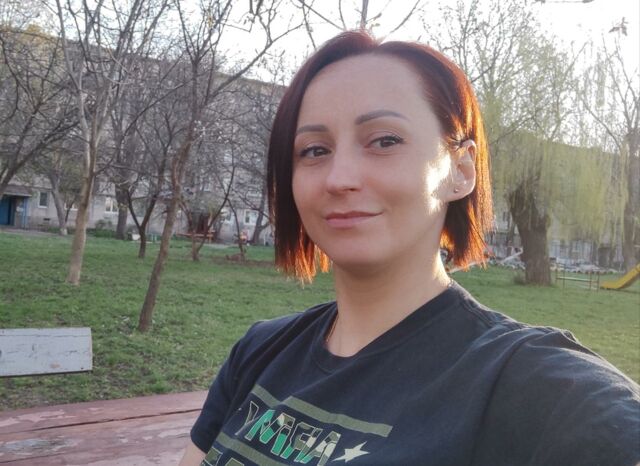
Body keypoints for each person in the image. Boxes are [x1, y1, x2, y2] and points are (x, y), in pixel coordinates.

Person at [179, 31, 639, 466]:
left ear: (461, 170)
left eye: (385, 141)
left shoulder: (525, 382)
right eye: (315, 150)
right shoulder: (260, 351)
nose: (340, 178)